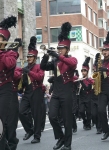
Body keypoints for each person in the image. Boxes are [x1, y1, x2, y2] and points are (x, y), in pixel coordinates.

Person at [40, 22, 77, 150]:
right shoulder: (55, 61)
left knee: (67, 120)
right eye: (58, 47)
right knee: (51, 116)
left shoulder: (72, 59)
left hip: (67, 92)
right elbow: (42, 67)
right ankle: (61, 138)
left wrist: (58, 56)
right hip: (56, 92)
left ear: (67, 50)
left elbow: (70, 63)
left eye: (62, 48)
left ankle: (68, 144)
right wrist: (46, 55)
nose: (60, 49)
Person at [19, 36, 45, 143]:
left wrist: (28, 72)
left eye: (31, 57)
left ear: (35, 58)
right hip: (27, 92)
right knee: (21, 111)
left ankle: (37, 136)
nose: (28, 58)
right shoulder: (26, 67)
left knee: (36, 115)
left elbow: (40, 78)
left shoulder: (39, 67)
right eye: (28, 57)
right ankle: (29, 130)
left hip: (37, 91)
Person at [0, 16, 19, 150]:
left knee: (2, 120)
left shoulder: (11, 53)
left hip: (5, 90)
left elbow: (9, 64)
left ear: (4, 41)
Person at [79, 57, 94, 130]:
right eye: (82, 71)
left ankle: (88, 124)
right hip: (81, 97)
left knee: (88, 112)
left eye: (84, 71)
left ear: (87, 72)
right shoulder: (80, 79)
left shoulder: (90, 80)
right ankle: (85, 122)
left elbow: (88, 88)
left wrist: (82, 82)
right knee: (81, 111)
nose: (83, 72)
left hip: (88, 96)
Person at [91, 54, 102, 134]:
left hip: (100, 96)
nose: (95, 69)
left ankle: (99, 128)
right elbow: (93, 80)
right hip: (93, 96)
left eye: (96, 67)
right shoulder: (94, 74)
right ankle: (97, 125)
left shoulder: (101, 73)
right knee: (93, 114)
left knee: (99, 113)